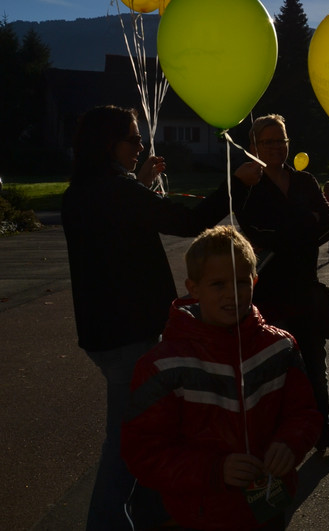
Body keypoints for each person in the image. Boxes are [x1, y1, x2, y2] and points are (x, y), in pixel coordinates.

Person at [61, 105, 260, 530]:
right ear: (108, 143)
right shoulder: (118, 191)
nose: (140, 146)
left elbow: (116, 232)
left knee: (150, 429)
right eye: (133, 139)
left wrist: (140, 184)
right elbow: (188, 222)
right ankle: (107, 523)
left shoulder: (81, 191)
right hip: (130, 334)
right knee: (128, 441)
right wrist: (235, 183)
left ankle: (153, 515)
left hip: (101, 332)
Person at [122, 225, 322, 530]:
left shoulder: (280, 347)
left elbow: (304, 412)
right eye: (218, 284)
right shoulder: (163, 365)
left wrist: (290, 443)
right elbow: (142, 451)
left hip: (267, 506)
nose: (232, 293)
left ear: (255, 280)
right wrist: (215, 470)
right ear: (193, 288)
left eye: (242, 282)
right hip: (200, 515)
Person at [234, 114, 329, 453]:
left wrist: (287, 230)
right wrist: (305, 223)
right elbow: (257, 231)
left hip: (306, 289)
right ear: (253, 146)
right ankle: (274, 442)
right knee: (274, 370)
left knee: (316, 365)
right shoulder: (248, 185)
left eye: (282, 140)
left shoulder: (304, 181)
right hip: (268, 293)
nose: (277, 147)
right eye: (269, 141)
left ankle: (325, 431)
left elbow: (327, 225)